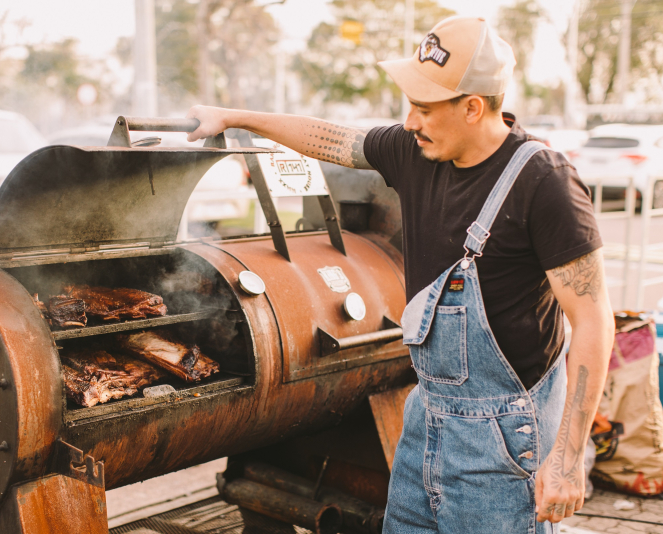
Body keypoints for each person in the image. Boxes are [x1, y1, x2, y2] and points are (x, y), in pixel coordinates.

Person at [186, 15, 614, 533]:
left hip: (502, 448)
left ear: (473, 106)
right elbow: (332, 140)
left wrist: (566, 460)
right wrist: (233, 117)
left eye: (425, 108)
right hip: (424, 423)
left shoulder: (543, 182)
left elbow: (592, 322)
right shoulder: (416, 154)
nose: (410, 121)